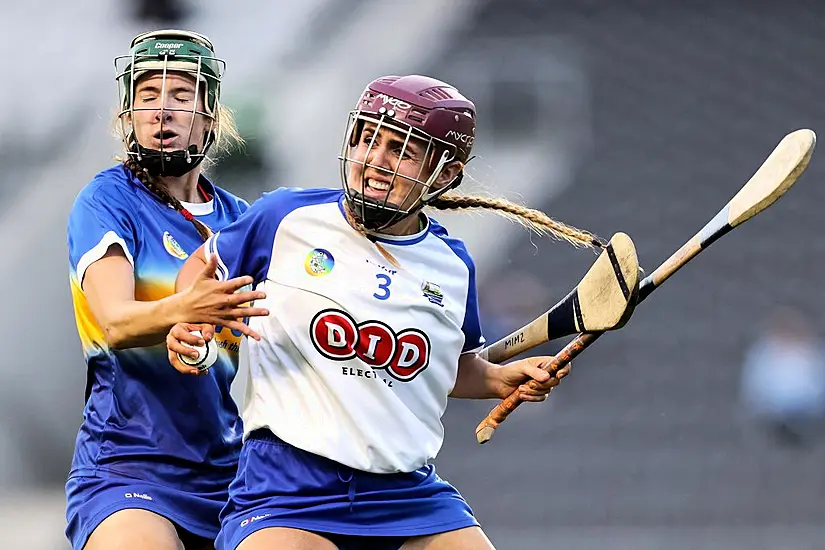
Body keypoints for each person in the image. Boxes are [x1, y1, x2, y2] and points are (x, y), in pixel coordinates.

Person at [166, 74, 604, 550]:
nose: (374, 160)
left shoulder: (452, 266)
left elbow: (451, 368)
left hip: (405, 494)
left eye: (401, 149)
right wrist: (188, 319)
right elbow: (200, 266)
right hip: (288, 486)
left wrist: (500, 379)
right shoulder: (286, 218)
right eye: (367, 138)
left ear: (444, 173)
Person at [65, 29, 269, 550]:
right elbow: (114, 320)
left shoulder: (240, 221)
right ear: (128, 116)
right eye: (147, 96)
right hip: (126, 466)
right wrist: (187, 307)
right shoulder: (107, 200)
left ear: (209, 117)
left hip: (230, 473)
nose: (162, 111)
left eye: (181, 96)